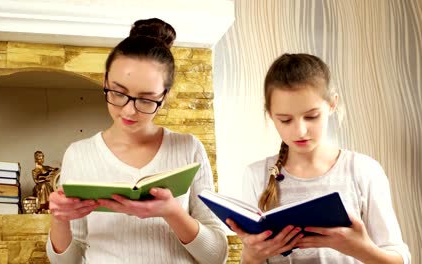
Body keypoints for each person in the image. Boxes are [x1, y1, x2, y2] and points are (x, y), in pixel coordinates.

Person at [46, 18, 228, 263]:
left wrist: (172, 212)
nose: (129, 111)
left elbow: (216, 256)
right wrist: (59, 219)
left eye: (146, 99)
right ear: (105, 82)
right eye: (118, 93)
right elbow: (67, 262)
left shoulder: (188, 147)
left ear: (164, 96)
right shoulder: (79, 154)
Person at [226, 53, 411, 264]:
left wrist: (361, 249)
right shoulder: (256, 175)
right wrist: (251, 256)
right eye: (285, 120)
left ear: (332, 104)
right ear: (270, 114)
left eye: (311, 116)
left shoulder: (363, 170)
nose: (300, 130)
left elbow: (400, 259)